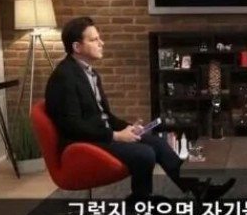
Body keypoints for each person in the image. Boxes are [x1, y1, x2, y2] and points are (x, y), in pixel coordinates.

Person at [45, 17, 235, 205]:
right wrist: (116, 136)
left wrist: (128, 128)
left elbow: (104, 115)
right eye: (94, 40)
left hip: (100, 133)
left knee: (157, 142)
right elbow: (72, 126)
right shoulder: (65, 77)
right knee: (144, 153)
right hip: (82, 143)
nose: (101, 43)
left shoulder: (89, 72)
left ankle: (199, 189)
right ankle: (140, 200)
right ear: (77, 47)